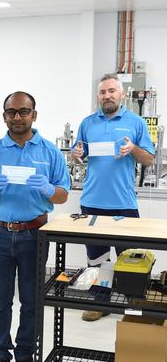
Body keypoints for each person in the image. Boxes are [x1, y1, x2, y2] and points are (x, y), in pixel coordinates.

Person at [0, 91, 70, 362]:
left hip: (35, 234)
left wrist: (50, 190)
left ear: (34, 115)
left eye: (23, 111)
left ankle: (26, 352)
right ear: (4, 117)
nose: (17, 117)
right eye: (11, 112)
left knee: (31, 300)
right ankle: (0, 351)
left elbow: (63, 194)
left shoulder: (50, 151)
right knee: (0, 300)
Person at [71, 75, 155, 322]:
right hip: (92, 201)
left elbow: (148, 158)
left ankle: (135, 306)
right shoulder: (87, 123)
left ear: (121, 94)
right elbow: (79, 154)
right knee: (97, 258)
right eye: (102, 92)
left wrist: (134, 150)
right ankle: (101, 302)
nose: (106, 96)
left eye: (111, 91)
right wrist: (76, 154)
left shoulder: (136, 122)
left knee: (131, 258)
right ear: (98, 96)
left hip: (124, 203)